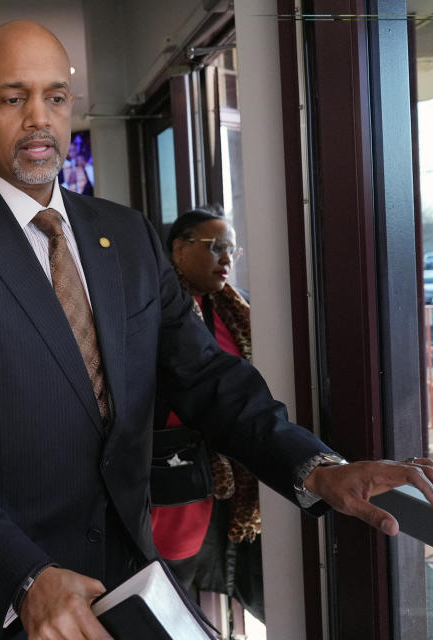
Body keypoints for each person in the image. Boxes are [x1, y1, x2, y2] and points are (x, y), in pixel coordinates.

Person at [0, 20, 433, 640]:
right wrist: (24, 577)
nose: (38, 119)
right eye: (12, 97)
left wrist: (316, 468)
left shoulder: (127, 235)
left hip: (132, 576)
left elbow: (206, 375)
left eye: (54, 97)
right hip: (10, 602)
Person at [151, 206, 264, 624]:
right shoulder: (156, 311)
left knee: (212, 580)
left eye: (231, 249)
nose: (227, 259)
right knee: (169, 589)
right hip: (175, 475)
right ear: (179, 249)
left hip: (230, 477)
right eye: (215, 247)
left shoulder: (235, 309)